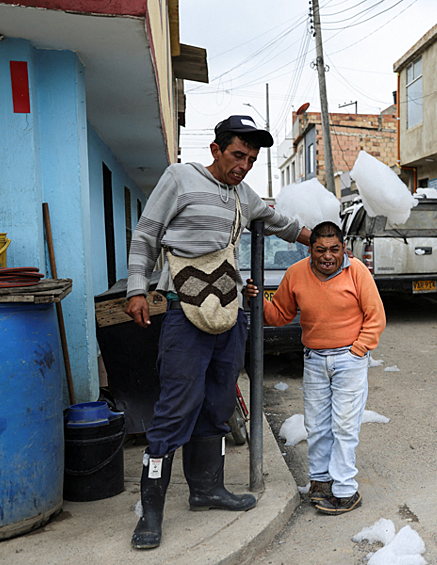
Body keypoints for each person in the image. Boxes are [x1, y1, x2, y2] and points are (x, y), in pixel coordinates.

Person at [123, 115, 312, 550]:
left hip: (229, 314)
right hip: (182, 312)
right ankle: (151, 510)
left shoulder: (245, 195)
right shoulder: (180, 179)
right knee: (175, 407)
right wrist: (137, 289)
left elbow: (279, 220)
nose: (244, 165)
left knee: (220, 400)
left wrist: (317, 240)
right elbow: (146, 235)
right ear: (215, 150)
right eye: (237, 155)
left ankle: (206, 490)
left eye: (251, 158)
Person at [263, 221, 386, 515]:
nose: (327, 256)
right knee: (317, 427)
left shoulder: (357, 271)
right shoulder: (295, 273)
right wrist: (255, 300)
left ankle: (345, 490)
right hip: (315, 359)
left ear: (343, 249)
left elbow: (376, 316)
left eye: (334, 249)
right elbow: (280, 315)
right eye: (320, 250)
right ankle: (320, 482)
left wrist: (358, 350)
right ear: (310, 249)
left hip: (350, 359)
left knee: (344, 426)